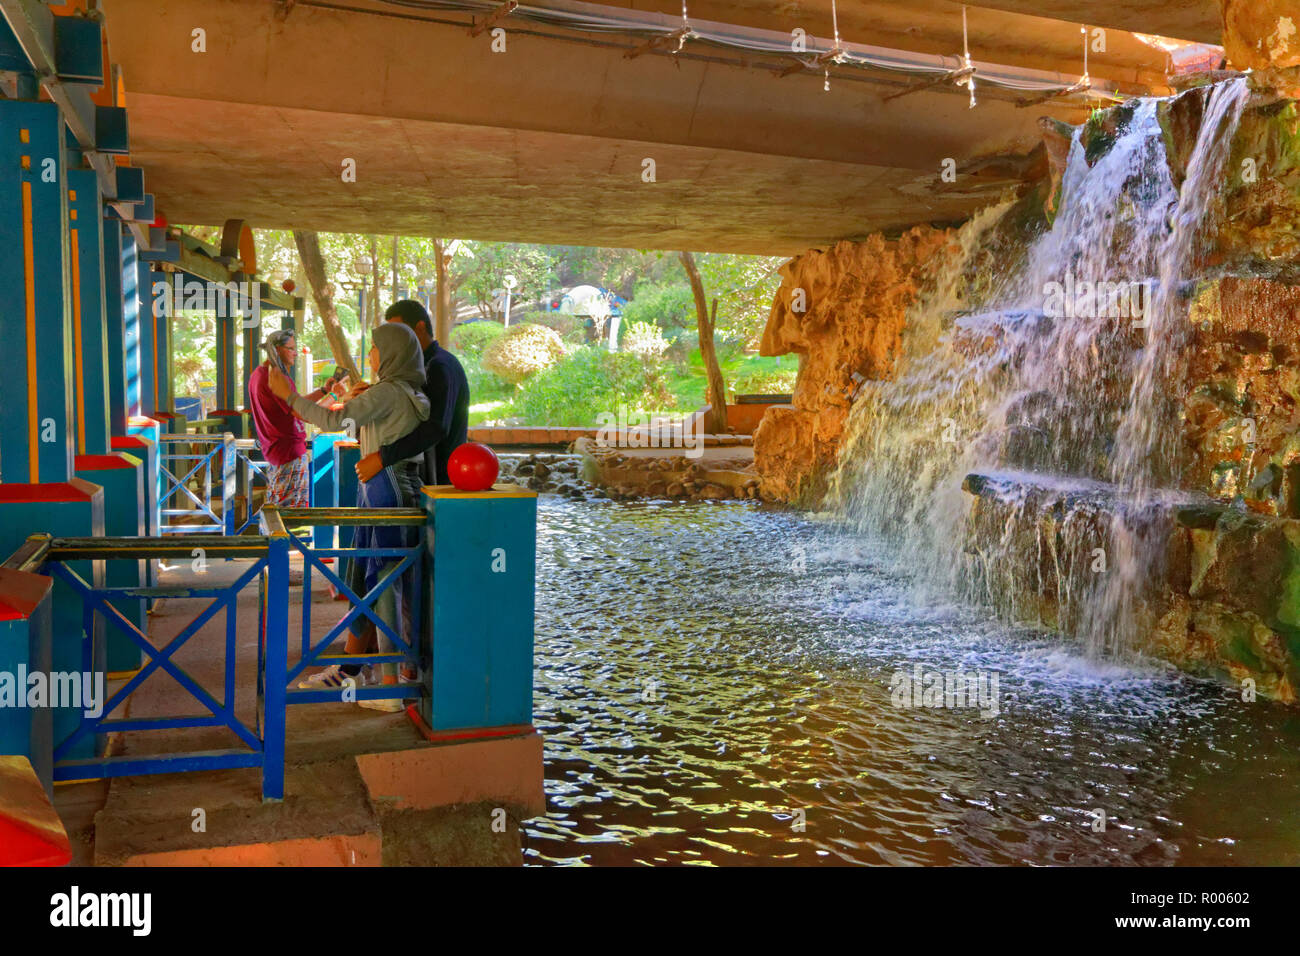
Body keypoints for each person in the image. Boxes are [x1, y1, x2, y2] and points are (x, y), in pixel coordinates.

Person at [267, 323, 430, 712]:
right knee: (381, 578)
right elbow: (368, 433)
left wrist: (287, 396)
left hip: (385, 489)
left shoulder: (390, 391)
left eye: (375, 349)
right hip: (393, 486)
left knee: (384, 581)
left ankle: (392, 684)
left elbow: (329, 422)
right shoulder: (407, 392)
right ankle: (370, 670)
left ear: (391, 353)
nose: (370, 355)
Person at [356, 300, 469, 486]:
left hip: (435, 480)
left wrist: (382, 458)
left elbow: (436, 426)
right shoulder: (413, 368)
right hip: (409, 473)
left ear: (420, 328)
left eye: (401, 331)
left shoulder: (439, 367)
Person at [247, 330, 344, 509]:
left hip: (278, 452)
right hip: (287, 453)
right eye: (290, 349)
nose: (296, 353)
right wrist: (334, 396)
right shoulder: (275, 379)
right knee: (288, 515)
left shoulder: (260, 374)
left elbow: (297, 405)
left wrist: (322, 391)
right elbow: (306, 414)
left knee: (280, 509)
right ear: (276, 350)